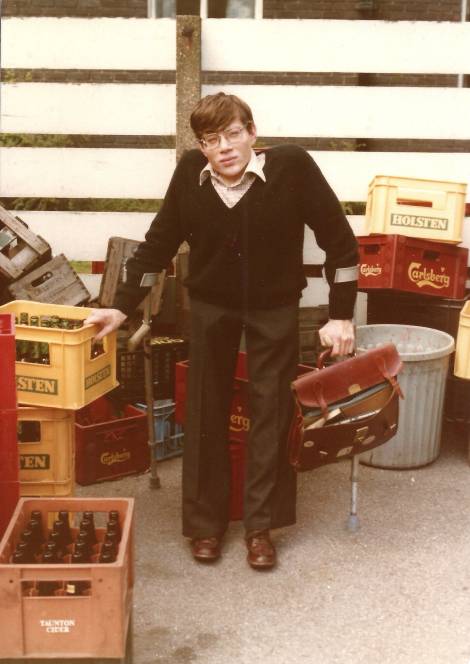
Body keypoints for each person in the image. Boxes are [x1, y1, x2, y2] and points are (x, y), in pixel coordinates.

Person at [84, 92, 358, 571]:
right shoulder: (191, 174)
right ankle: (205, 525)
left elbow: (341, 243)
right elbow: (157, 246)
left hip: (274, 305)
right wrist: (119, 309)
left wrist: (341, 314)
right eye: (211, 140)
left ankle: (260, 527)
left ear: (252, 133)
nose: (224, 147)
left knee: (272, 409)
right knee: (205, 408)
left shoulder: (292, 167)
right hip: (211, 305)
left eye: (233, 134)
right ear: (201, 146)